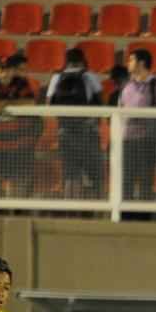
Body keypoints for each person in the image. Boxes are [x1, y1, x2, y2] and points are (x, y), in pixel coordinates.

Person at [0, 53, 39, 199]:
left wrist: (6, 104)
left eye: (8, 69)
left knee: (20, 179)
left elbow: (30, 102)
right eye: (1, 69)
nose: (5, 72)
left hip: (20, 144)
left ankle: (19, 213)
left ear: (12, 70)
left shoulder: (21, 84)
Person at [47, 48, 103, 199]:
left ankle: (69, 206)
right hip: (88, 131)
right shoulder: (90, 76)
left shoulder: (56, 77)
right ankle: (94, 208)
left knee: (70, 172)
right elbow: (99, 103)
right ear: (82, 59)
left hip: (65, 131)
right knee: (94, 173)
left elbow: (50, 105)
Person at [120, 49, 156, 209]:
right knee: (126, 180)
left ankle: (145, 217)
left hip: (146, 141)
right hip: (127, 140)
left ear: (141, 63)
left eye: (131, 60)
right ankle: (125, 217)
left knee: (146, 180)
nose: (128, 63)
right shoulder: (127, 86)